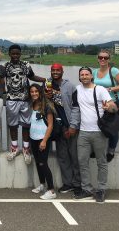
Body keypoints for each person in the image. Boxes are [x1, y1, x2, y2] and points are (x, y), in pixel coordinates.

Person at [72, 67, 118, 203]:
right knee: (82, 161)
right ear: (79, 77)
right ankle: (86, 189)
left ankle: (101, 189)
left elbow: (114, 107)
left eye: (87, 74)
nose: (85, 76)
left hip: (99, 132)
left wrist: (109, 108)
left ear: (92, 76)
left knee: (101, 162)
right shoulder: (77, 89)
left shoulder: (100, 90)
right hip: (83, 132)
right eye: (82, 75)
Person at [5, 44, 45, 165]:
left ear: (20, 54)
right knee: (13, 125)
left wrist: (44, 80)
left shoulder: (26, 65)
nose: (15, 56)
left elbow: (32, 76)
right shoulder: (6, 66)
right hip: (11, 99)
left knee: (27, 125)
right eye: (13, 53)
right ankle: (14, 148)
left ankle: (26, 149)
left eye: (17, 53)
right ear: (9, 54)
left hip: (25, 100)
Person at [45, 63, 81, 195]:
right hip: (57, 127)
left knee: (75, 155)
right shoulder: (47, 84)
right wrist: (46, 96)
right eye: (53, 70)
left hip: (69, 125)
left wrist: (73, 126)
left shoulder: (70, 86)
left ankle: (78, 184)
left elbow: (76, 107)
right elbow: (43, 102)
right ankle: (68, 183)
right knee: (63, 156)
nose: (55, 72)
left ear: (62, 71)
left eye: (57, 70)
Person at [93, 49, 119, 162]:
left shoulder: (113, 70)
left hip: (116, 102)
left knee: (113, 128)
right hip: (102, 103)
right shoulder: (94, 72)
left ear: (109, 59)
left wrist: (109, 89)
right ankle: (97, 149)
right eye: (100, 57)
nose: (103, 59)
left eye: (105, 58)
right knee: (98, 126)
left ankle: (111, 150)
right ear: (97, 59)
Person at [29, 83, 57, 200]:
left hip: (42, 139)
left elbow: (50, 125)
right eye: (32, 92)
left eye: (36, 91)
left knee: (43, 163)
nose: (34, 94)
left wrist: (44, 141)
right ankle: (42, 184)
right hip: (33, 138)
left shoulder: (47, 106)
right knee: (37, 162)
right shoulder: (33, 104)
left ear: (40, 92)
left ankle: (51, 191)